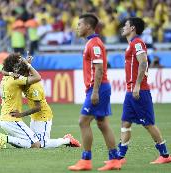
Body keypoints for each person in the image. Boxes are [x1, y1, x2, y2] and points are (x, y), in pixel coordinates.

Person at [68, 14, 121, 171]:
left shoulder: (95, 44)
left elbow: (99, 69)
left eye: (79, 24)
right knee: (102, 123)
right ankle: (115, 159)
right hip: (97, 88)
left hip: (98, 88)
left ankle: (86, 160)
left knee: (83, 122)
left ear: (88, 26)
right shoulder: (91, 43)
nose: (77, 27)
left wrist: (95, 91)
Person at [118, 17, 171, 164]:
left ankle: (165, 155)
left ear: (133, 28)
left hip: (138, 90)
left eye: (126, 25)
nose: (123, 27)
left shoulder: (138, 43)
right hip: (130, 91)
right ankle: (120, 157)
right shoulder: (131, 44)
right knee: (125, 122)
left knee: (148, 123)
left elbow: (143, 63)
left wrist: (137, 85)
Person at [9, 58, 81, 149]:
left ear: (26, 73)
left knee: (43, 144)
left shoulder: (34, 87)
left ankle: (67, 140)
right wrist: (27, 64)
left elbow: (38, 107)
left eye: (21, 73)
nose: (19, 75)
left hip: (43, 116)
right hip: (35, 117)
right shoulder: (26, 81)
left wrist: (21, 114)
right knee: (34, 143)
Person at [0, 53, 41, 149]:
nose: (20, 64)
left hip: (5, 119)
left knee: (26, 142)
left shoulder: (6, 77)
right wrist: (28, 65)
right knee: (36, 144)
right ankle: (5, 138)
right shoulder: (15, 79)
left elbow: (4, 70)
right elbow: (37, 77)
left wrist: (25, 64)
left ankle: (5, 139)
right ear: (14, 67)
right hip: (12, 120)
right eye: (18, 63)